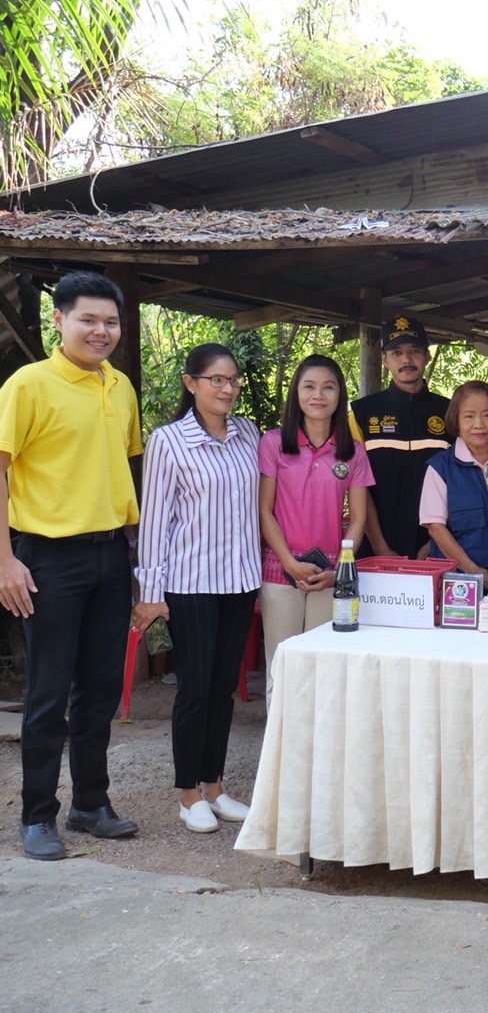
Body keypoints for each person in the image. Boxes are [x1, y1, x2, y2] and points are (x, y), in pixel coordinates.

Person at [0, 272, 143, 860]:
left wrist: (137, 559)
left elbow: (128, 468)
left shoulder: (122, 387)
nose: (101, 331)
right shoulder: (28, 385)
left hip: (112, 554)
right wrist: (4, 560)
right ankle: (38, 817)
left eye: (110, 322)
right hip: (47, 557)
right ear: (59, 320)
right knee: (49, 691)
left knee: (101, 688)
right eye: (88, 319)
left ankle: (91, 803)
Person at [134, 344, 261, 834]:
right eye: (215, 379)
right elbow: (155, 522)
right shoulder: (169, 440)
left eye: (232, 380)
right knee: (194, 688)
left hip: (240, 580)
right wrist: (151, 590)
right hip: (191, 583)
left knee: (224, 688)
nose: (226, 388)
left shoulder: (248, 433)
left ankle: (215, 786)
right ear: (191, 383)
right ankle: (188, 794)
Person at [258, 355, 373, 706]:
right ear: (296, 393)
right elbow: (264, 510)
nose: (318, 395)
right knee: (282, 668)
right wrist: (288, 563)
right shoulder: (274, 443)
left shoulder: (352, 452)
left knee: (324, 670)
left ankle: (319, 758)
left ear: (340, 395)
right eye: (309, 386)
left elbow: (358, 518)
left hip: (329, 574)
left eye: (328, 387)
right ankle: (280, 758)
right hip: (280, 573)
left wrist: (339, 569)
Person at [349, 315, 449, 557]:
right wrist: (380, 546)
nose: (406, 359)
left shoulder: (450, 411)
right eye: (396, 352)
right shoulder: (361, 413)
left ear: (426, 355)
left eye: (414, 350)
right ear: (384, 359)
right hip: (375, 548)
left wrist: (436, 543)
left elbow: (459, 484)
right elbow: (357, 488)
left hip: (437, 547)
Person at [421, 381, 488, 594]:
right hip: (460, 587)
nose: (479, 424)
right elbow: (436, 528)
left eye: (487, 415)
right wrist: (473, 571)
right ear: (456, 420)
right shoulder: (440, 468)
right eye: (469, 416)